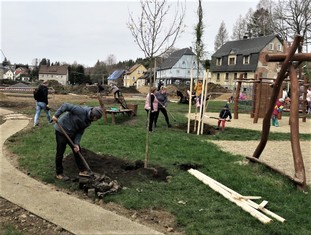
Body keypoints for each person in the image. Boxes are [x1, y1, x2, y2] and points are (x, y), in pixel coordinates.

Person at [52, 103, 103, 181]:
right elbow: (66, 105)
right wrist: (56, 115)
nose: (96, 121)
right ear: (93, 116)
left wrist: (76, 143)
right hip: (61, 130)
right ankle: (59, 173)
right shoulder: (80, 110)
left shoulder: (88, 121)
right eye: (96, 119)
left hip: (72, 133)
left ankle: (82, 170)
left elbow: (80, 132)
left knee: (77, 150)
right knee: (60, 152)